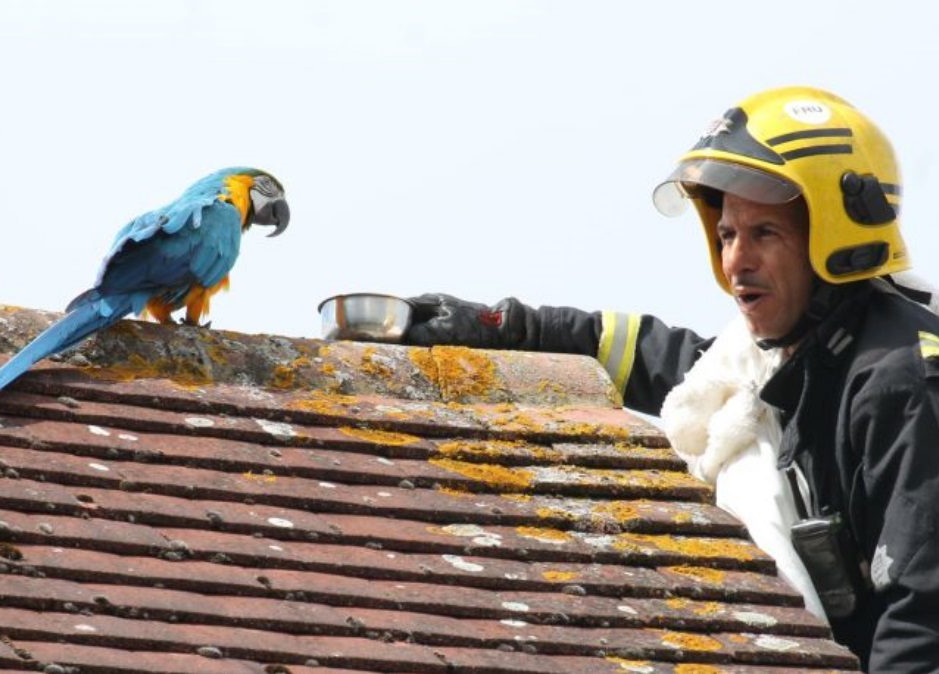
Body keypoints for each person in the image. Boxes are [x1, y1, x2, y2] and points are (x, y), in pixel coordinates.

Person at [402, 86, 939, 672]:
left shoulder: (902, 383)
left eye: (765, 233)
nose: (736, 261)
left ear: (838, 239)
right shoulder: (774, 365)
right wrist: (500, 326)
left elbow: (925, 613)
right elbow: (659, 359)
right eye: (727, 234)